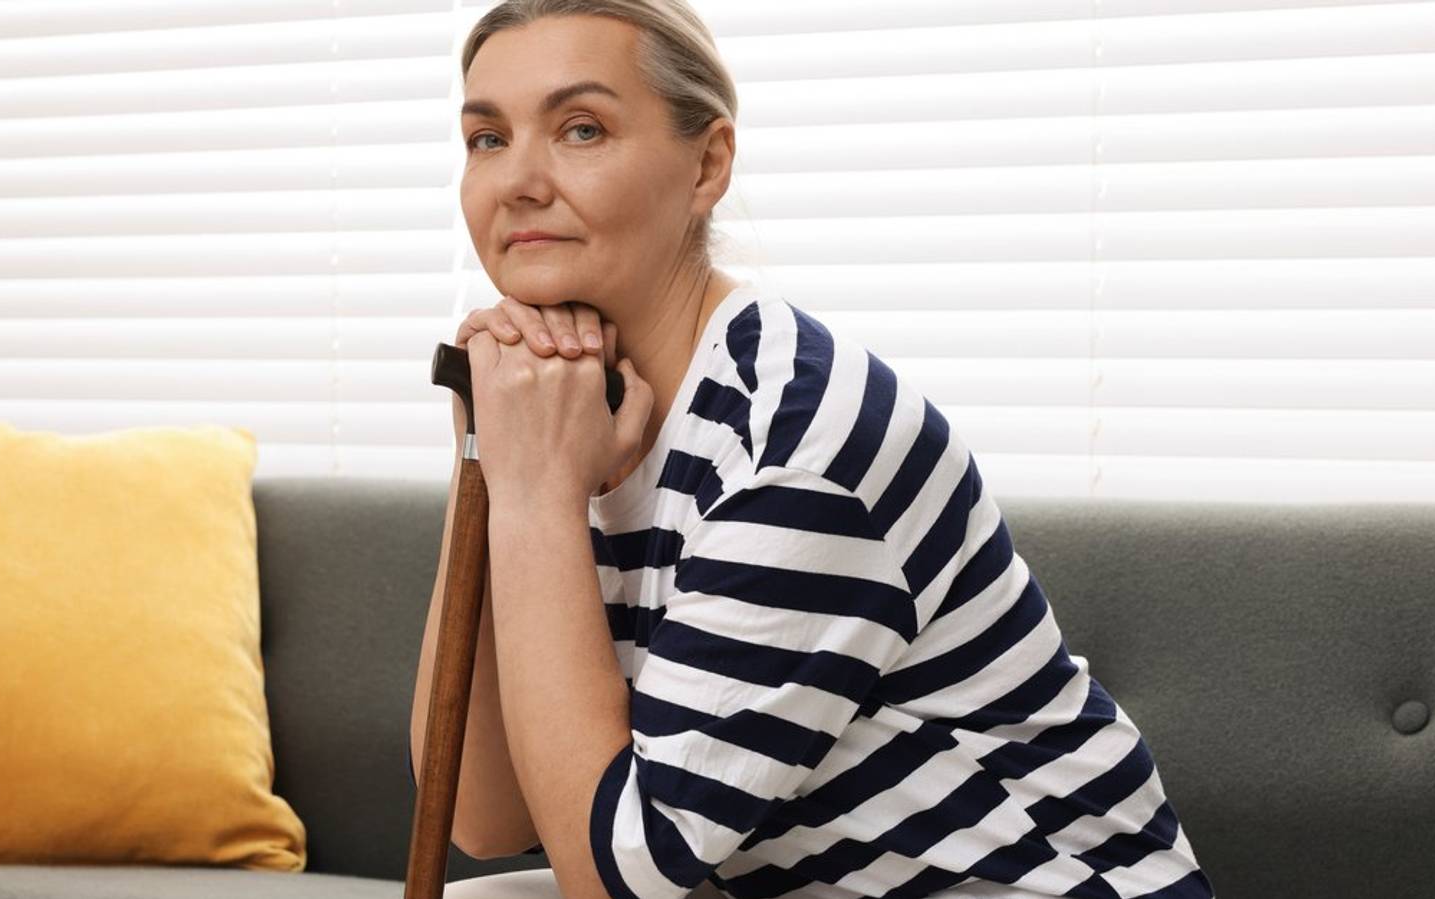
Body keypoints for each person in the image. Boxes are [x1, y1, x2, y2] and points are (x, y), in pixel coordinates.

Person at [410, 2, 1217, 898]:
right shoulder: (574, 413)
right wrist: (489, 455)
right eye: (486, 138)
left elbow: (617, 878)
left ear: (707, 163)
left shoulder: (794, 439)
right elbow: (482, 818)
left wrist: (529, 496)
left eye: (581, 129)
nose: (517, 180)